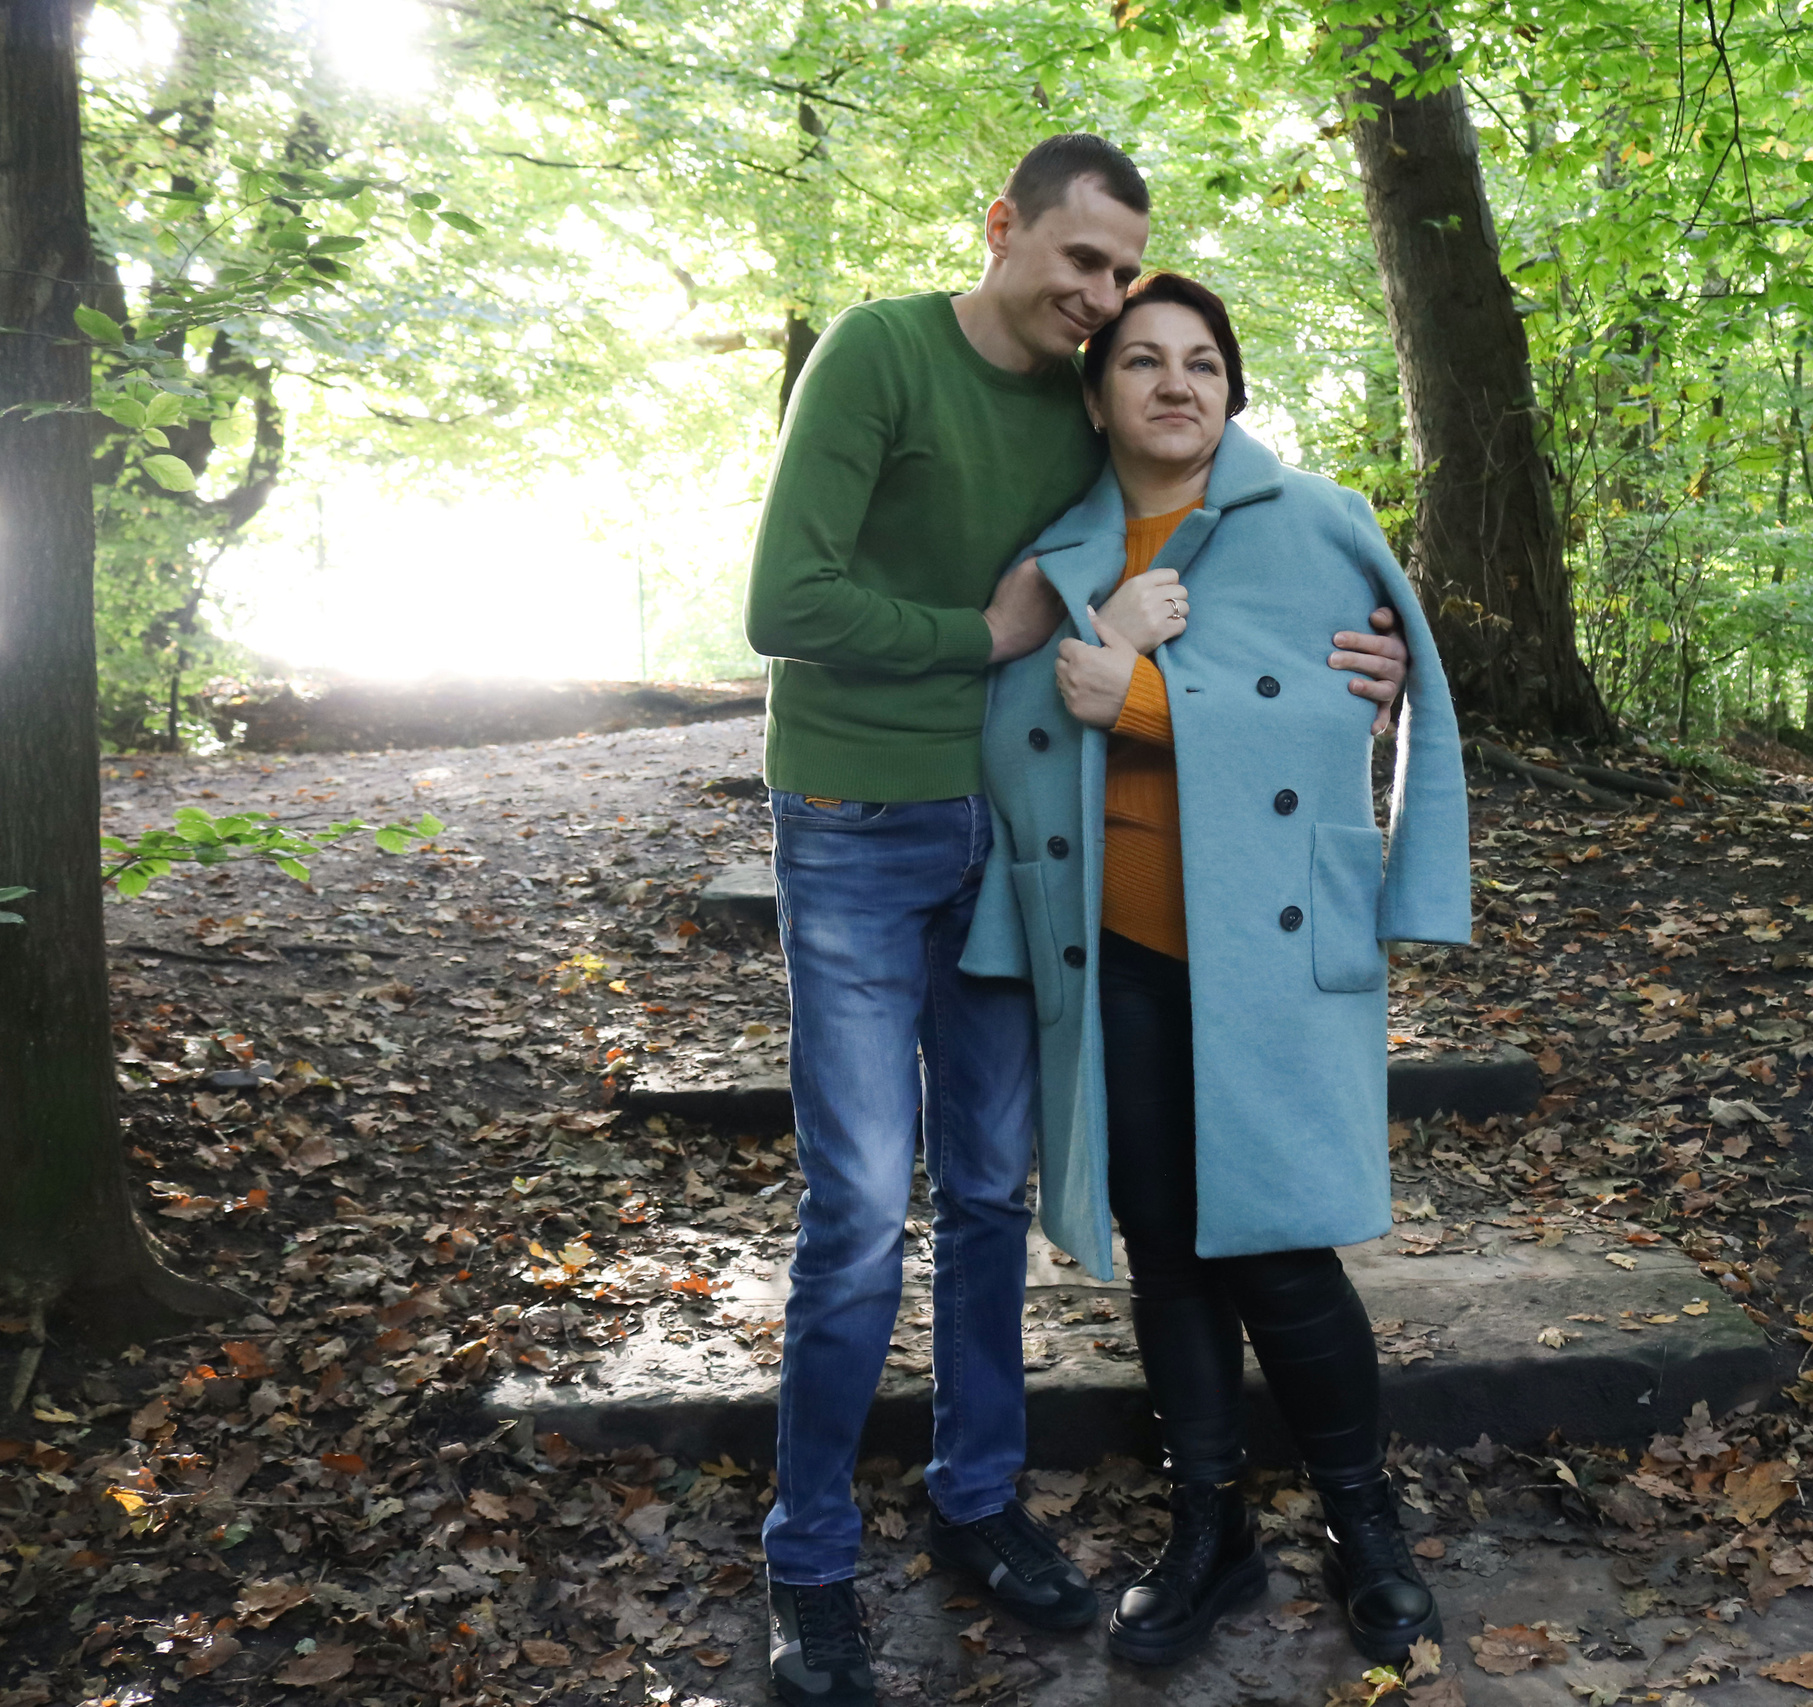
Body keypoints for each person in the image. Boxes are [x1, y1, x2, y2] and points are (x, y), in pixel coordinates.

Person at [742, 139, 1411, 1707]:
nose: (1106, 304)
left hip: (1007, 853)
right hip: (854, 821)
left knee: (988, 1190)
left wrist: (1357, 661)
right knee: (856, 1216)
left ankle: (978, 1498)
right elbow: (785, 604)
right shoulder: (881, 353)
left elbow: (1231, 523)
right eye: (1088, 269)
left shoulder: (1088, 396)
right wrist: (994, 636)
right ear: (1004, 229)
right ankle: (809, 1557)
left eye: (1128, 280)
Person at [962, 272, 1470, 1669]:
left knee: (1285, 1249)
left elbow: (1359, 720)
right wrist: (1105, 639)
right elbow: (1006, 746)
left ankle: (1364, 1527)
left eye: (1203, 362)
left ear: (1233, 390)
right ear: (1096, 391)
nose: (1176, 383)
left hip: (1275, 949)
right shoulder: (1059, 551)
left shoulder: (1318, 525)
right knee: (1170, 1254)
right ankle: (1213, 1533)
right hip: (1110, 949)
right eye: (1142, 361)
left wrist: (1135, 695)